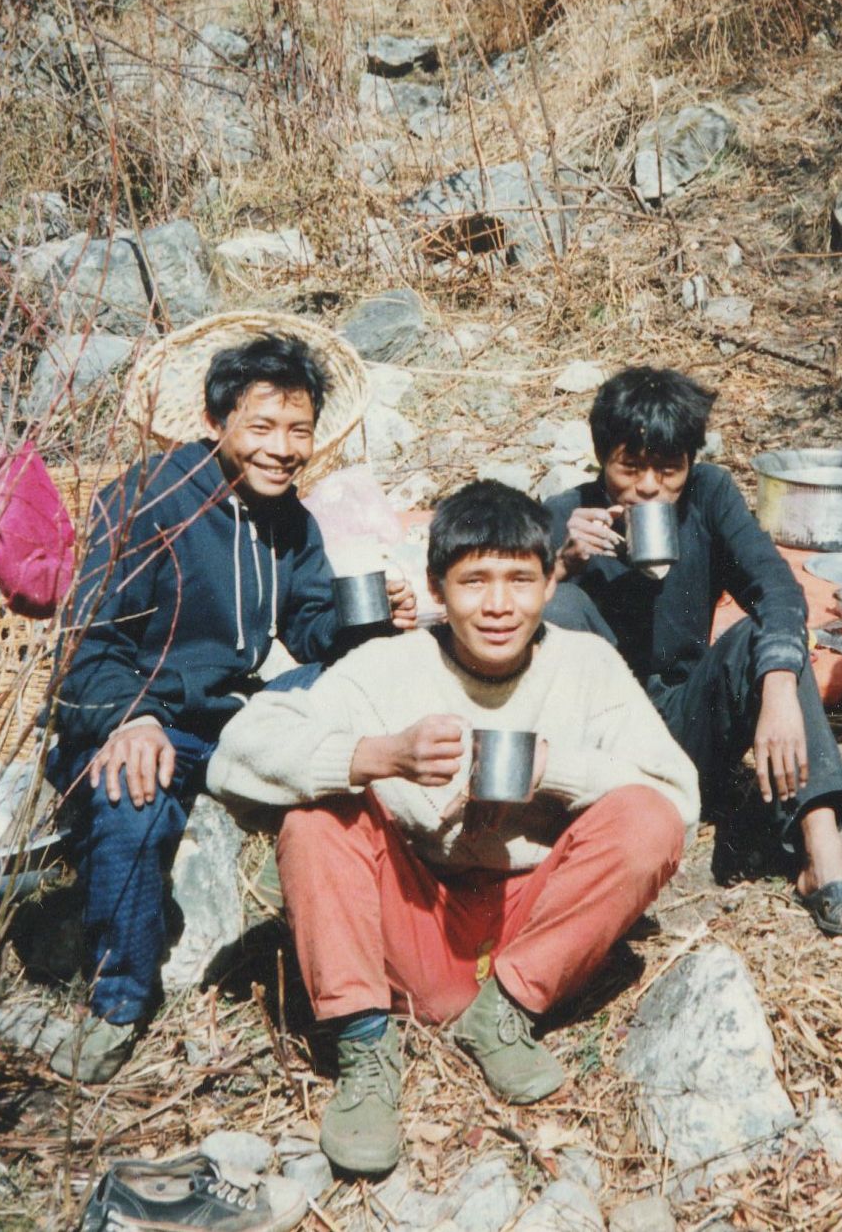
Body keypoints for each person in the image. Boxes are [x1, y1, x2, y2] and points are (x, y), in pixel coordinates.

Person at [209, 481, 696, 1179]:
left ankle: (503, 1014)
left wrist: (557, 768)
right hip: (417, 924)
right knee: (316, 813)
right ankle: (365, 1048)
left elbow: (676, 801)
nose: (498, 605)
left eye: (520, 581)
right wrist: (379, 754)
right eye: (474, 582)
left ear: (551, 578)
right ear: (438, 586)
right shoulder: (390, 664)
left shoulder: (586, 664)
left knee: (644, 813)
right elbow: (235, 756)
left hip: (532, 928)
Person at [45, 333, 416, 1084]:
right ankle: (118, 1003)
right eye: (262, 427)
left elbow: (310, 632)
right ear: (217, 423)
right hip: (142, 711)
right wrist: (132, 717)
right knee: (131, 795)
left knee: (364, 708)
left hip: (229, 716)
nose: (283, 448)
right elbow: (87, 645)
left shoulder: (290, 521)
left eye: (298, 429)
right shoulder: (149, 497)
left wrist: (372, 615)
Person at [542, 367, 842, 938]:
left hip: (685, 720)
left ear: (689, 466)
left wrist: (778, 687)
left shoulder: (709, 496)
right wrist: (558, 564)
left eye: (668, 469)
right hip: (604, 749)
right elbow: (497, 626)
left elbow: (776, 589)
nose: (649, 487)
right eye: (630, 468)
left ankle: (822, 860)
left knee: (766, 639)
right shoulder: (565, 514)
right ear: (603, 462)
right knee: (552, 611)